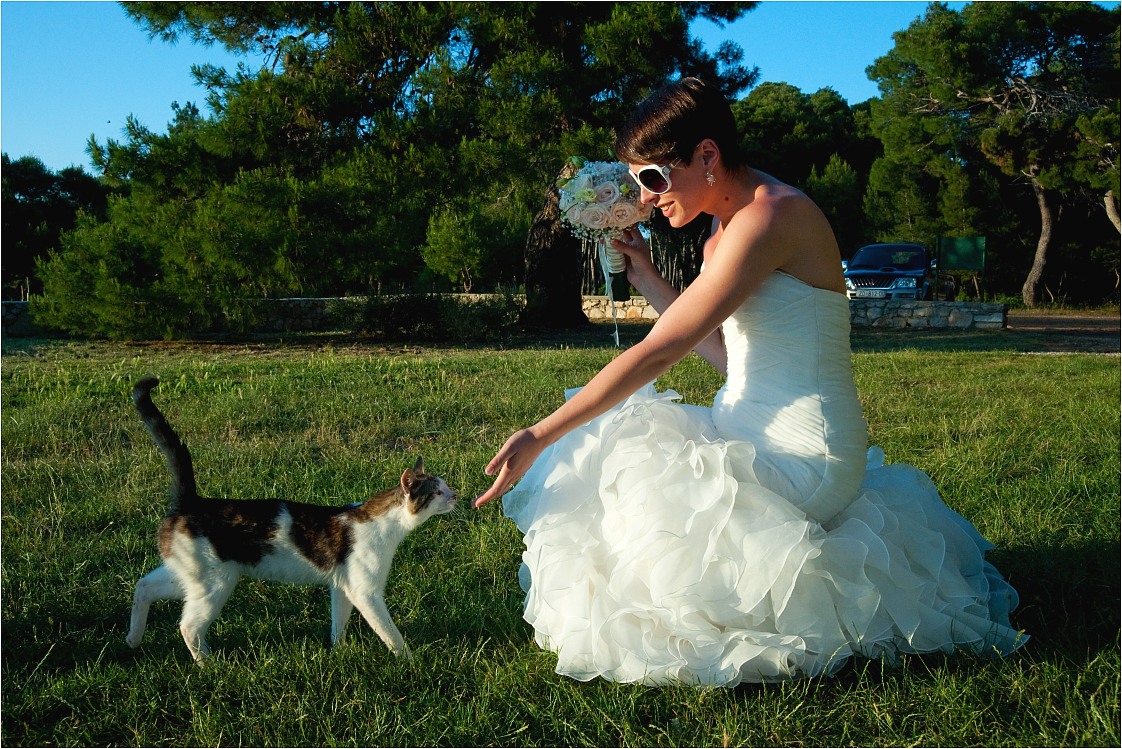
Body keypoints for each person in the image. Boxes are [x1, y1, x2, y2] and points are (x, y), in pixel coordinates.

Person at [472, 77, 1026, 686]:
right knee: (628, 461)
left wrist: (541, 434)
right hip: (744, 422)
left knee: (627, 449)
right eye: (637, 183)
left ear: (707, 155)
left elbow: (662, 350)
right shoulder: (722, 229)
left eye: (654, 178)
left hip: (806, 455)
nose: (647, 199)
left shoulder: (772, 216)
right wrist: (649, 276)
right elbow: (730, 359)